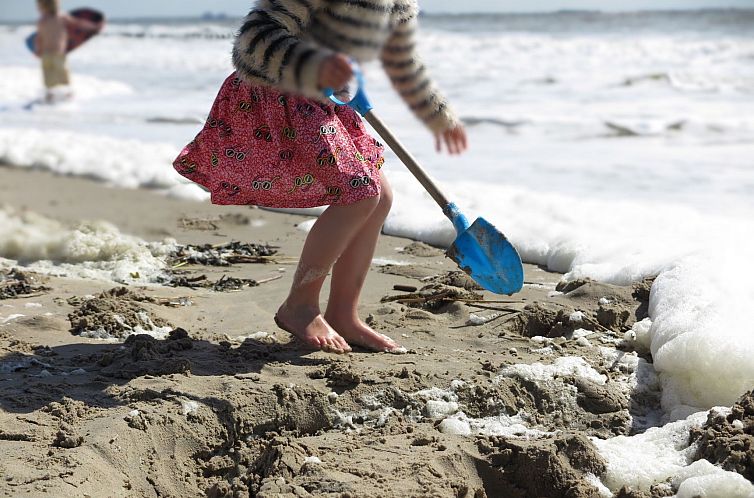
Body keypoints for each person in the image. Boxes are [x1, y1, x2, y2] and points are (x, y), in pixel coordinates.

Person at [173, 0, 467, 354]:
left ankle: (344, 314)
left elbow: (401, 58)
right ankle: (299, 306)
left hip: (328, 100)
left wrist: (438, 113)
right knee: (360, 193)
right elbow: (252, 41)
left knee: (379, 198)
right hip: (280, 94)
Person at [35, 0, 72, 103]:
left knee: (48, 73)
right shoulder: (62, 17)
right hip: (58, 51)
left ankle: (50, 94)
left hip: (47, 52)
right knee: (62, 72)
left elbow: (38, 38)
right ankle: (68, 93)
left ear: (43, 6)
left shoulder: (42, 20)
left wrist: (38, 50)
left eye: (38, 6)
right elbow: (74, 25)